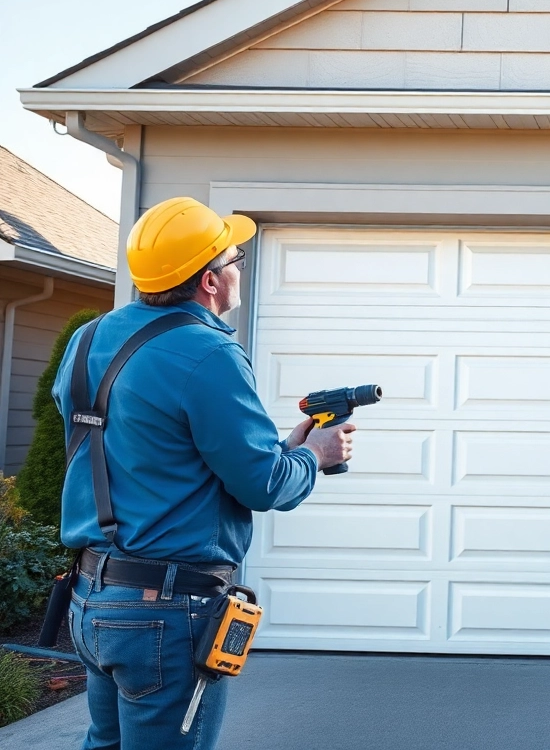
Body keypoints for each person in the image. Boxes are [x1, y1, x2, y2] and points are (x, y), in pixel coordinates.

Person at [51, 196, 356, 749]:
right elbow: (265, 486)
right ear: (210, 281)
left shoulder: (88, 338)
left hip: (93, 597)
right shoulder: (208, 352)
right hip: (166, 610)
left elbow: (143, 448)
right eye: (235, 258)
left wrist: (285, 447)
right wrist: (316, 455)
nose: (240, 268)